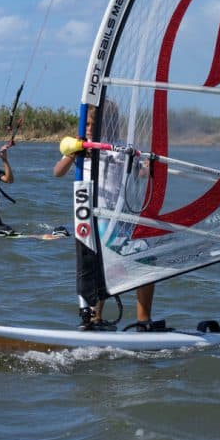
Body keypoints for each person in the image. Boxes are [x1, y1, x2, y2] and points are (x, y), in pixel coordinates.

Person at [54, 114, 163, 332]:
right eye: (86, 124)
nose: (89, 128)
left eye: (94, 124)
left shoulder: (120, 149)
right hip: (93, 217)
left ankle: (143, 321)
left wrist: (149, 166)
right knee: (109, 264)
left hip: (120, 217)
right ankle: (96, 318)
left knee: (138, 261)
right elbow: (57, 172)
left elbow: (140, 172)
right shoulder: (80, 149)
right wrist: (72, 154)